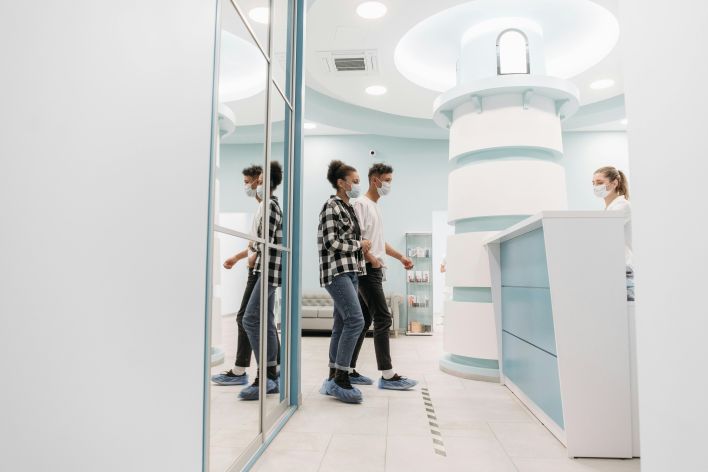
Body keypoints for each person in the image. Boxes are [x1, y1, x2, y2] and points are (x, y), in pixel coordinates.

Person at [348, 163, 418, 390]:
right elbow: (355, 237)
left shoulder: (375, 207)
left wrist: (400, 257)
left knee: (364, 320)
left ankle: (348, 370)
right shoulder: (360, 204)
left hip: (375, 268)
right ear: (375, 180)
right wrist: (370, 259)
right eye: (387, 180)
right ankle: (387, 376)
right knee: (383, 318)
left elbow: (379, 243)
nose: (389, 185)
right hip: (367, 270)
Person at [318, 160, 372, 403]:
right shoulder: (331, 207)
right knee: (356, 320)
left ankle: (333, 375)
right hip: (337, 272)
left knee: (341, 324)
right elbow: (331, 243)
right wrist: (359, 244)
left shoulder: (348, 207)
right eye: (356, 181)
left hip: (351, 271)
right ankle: (341, 378)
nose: (358, 185)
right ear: (341, 183)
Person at [211, 164, 263, 386]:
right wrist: (237, 257)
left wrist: (250, 258)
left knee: (247, 319)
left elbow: (262, 246)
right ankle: (243, 369)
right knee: (252, 320)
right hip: (255, 270)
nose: (246, 187)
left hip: (261, 271)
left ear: (258, 181)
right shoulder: (259, 210)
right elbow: (253, 244)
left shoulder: (267, 208)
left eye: (247, 182)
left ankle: (251, 370)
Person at [240, 161, 284, 400]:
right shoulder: (268, 206)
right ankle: (271, 375)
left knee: (250, 319)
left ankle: (264, 376)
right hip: (265, 269)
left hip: (267, 270)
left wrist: (252, 247)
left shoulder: (269, 207)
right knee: (265, 320)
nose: (256, 183)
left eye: (260, 180)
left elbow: (262, 241)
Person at [592, 166, 634, 301]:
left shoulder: (623, 206)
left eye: (599, 182)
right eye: (593, 183)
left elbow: (604, 233)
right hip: (617, 268)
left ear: (615, 183)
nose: (595, 187)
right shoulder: (610, 208)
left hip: (626, 270)